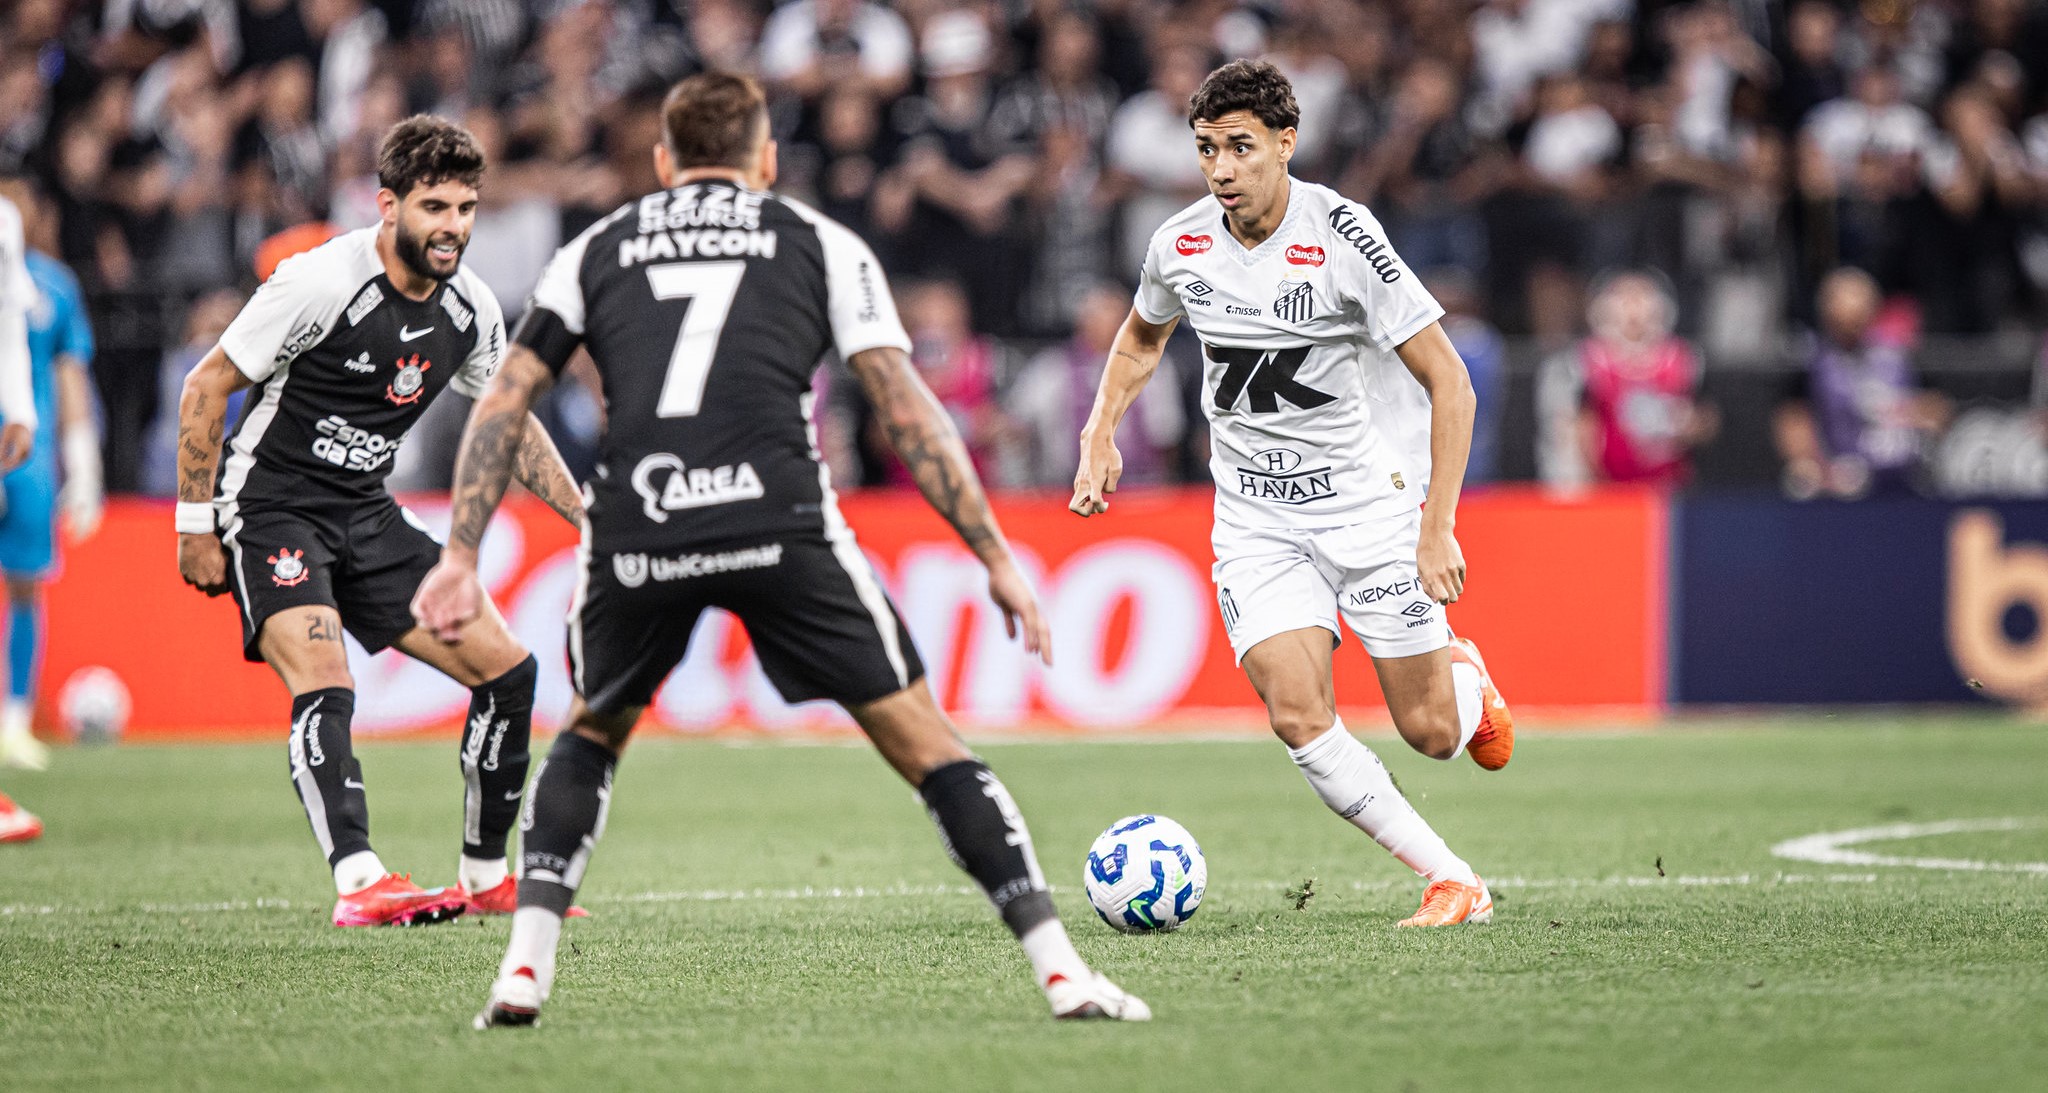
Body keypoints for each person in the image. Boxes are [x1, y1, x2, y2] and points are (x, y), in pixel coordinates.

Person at [412, 72, 1149, 1028]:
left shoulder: (594, 248)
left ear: (663, 162)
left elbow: (505, 400)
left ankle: (522, 971)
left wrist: (461, 553)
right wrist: (995, 554)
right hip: (779, 519)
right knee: (930, 746)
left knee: (590, 735)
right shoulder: (819, 240)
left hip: (642, 521)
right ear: (766, 161)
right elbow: (904, 408)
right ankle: (1062, 974)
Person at [1070, 60, 1511, 929]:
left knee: (1431, 732)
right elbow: (1140, 339)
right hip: (1256, 521)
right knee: (1297, 714)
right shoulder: (1179, 243)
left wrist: (1437, 529)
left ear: (1286, 142)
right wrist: (1099, 431)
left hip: (1371, 510)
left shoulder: (1344, 236)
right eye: (1207, 149)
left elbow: (1451, 383)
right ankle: (1453, 878)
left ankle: (1464, 678)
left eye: (1240, 146)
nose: (1221, 168)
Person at [172, 116, 585, 927]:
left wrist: (587, 517)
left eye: (465, 208)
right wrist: (194, 525)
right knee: (325, 678)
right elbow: (205, 384)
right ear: (387, 205)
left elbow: (506, 422)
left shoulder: (470, 309)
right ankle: (360, 880)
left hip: (365, 509)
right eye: (435, 207)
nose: (453, 226)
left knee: (509, 673)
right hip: (272, 506)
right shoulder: (319, 281)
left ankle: (484, 877)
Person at [0, 174, 103, 773]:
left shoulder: (54, 286)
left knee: (24, 585)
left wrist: (83, 464)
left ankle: (15, 722)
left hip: (28, 458)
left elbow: (70, 373)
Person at [1539, 270, 1717, 490]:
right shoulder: (1587, 360)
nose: (1633, 308)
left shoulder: (1684, 359)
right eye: (1623, 298)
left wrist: (1687, 424)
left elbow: (1707, 419)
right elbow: (1574, 426)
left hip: (1670, 488)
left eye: (1642, 297)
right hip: (1609, 488)